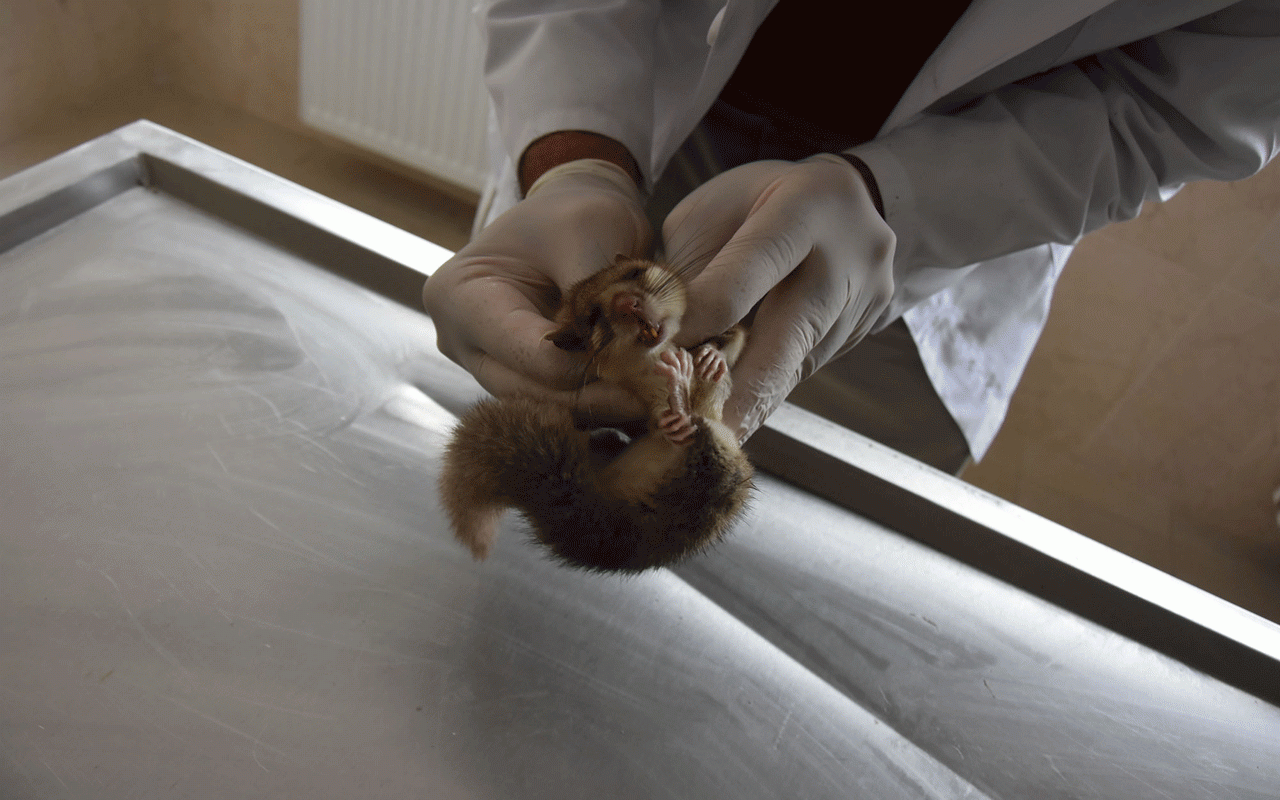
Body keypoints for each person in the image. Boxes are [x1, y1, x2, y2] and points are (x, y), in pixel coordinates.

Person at [423, 0, 1280, 474]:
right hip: (654, 104)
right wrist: (576, 158)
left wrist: (896, 199)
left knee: (774, 534)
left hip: (950, 216)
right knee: (543, 460)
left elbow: (1171, 105)